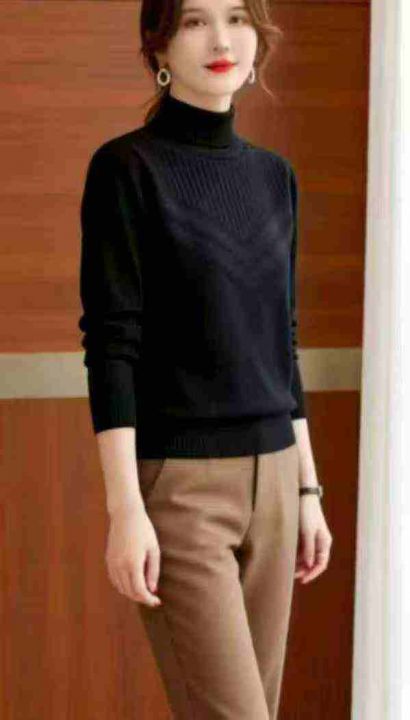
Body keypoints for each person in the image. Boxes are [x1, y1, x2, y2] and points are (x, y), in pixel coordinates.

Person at [77, 0, 333, 717]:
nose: (221, 39)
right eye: (194, 21)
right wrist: (126, 510)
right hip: (183, 491)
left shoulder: (275, 177)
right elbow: (112, 345)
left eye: (238, 18)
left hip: (276, 481)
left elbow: (281, 342)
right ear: (159, 44)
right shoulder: (126, 169)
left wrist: (307, 491)